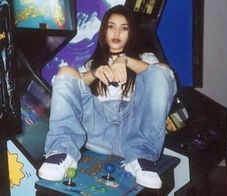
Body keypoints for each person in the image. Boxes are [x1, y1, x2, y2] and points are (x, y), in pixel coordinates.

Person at [38, 5, 177, 189]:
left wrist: (125, 60)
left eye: (124, 28)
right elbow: (67, 85)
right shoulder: (92, 63)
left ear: (132, 33)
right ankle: (62, 152)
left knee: (160, 72)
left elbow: (165, 78)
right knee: (65, 72)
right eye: (111, 26)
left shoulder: (145, 58)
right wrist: (95, 72)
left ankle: (142, 158)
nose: (117, 32)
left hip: (133, 132)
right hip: (97, 131)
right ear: (104, 31)